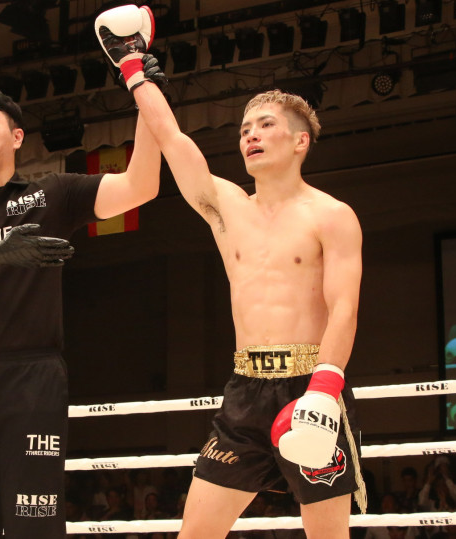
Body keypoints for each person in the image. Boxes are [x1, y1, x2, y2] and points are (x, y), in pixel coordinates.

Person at [94, 5, 365, 538]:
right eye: (244, 129)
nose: (250, 136)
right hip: (245, 393)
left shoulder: (332, 215)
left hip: (312, 385)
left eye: (266, 125)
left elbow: (345, 307)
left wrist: (323, 390)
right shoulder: (226, 208)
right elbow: (172, 139)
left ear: (301, 141)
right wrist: (133, 68)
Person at [0, 83, 160, 539]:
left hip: (31, 377)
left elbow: (140, 186)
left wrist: (146, 95)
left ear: (17, 136)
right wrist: (0, 250)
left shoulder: (52, 194)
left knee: (35, 527)